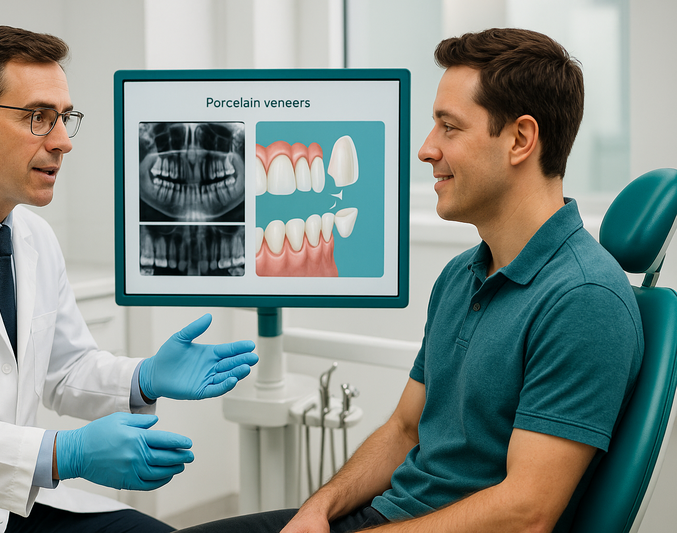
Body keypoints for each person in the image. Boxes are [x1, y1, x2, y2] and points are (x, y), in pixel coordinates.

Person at [174, 27, 643, 533]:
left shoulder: (584, 299)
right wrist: (318, 509)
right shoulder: (461, 275)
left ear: (520, 140)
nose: (425, 149)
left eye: (449, 127)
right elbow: (403, 429)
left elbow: (525, 513)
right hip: (387, 517)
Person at [0, 25, 258, 532]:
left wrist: (143, 375)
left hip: (9, 501)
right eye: (38, 118)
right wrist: (64, 453)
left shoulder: (32, 237)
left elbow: (64, 367)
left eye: (63, 119)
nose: (62, 143)